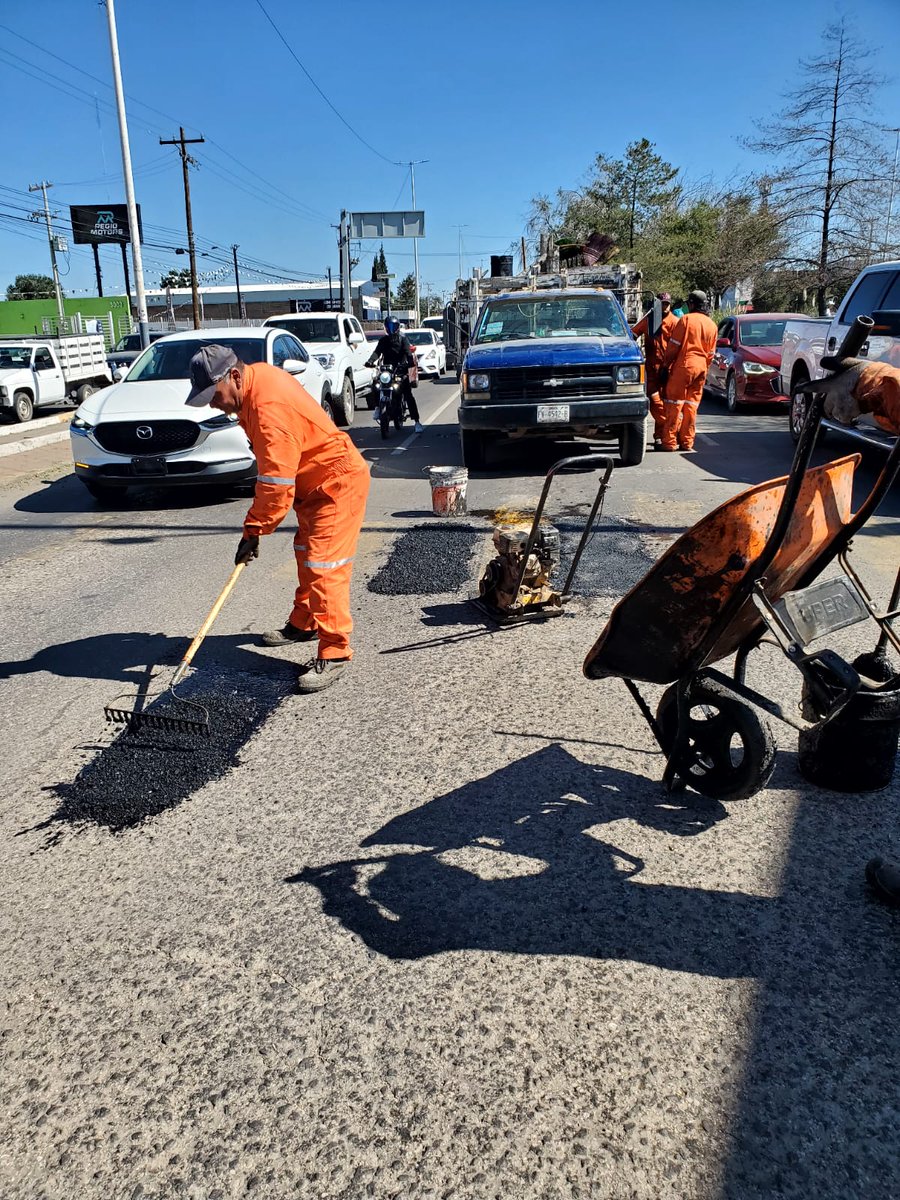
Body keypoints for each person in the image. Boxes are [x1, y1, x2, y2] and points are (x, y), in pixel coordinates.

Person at [185, 344, 370, 693]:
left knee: (323, 565)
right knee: (305, 554)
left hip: (335, 482)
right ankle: (305, 622)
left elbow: (276, 484)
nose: (212, 404)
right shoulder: (254, 383)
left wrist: (254, 530)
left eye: (214, 394)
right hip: (313, 484)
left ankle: (335, 650)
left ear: (234, 376)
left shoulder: (268, 407)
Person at [660, 290, 718, 452]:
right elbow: (711, 354)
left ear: (692, 304)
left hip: (684, 366)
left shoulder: (686, 320)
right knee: (691, 405)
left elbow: (674, 346)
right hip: (701, 368)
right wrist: (704, 368)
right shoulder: (712, 325)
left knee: (674, 404)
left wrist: (665, 366)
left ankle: (669, 442)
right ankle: (687, 442)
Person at [631, 292, 678, 446]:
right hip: (651, 369)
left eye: (667, 304)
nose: (665, 307)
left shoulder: (675, 322)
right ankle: (671, 427)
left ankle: (660, 435)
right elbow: (633, 334)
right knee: (653, 400)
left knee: (665, 402)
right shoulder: (649, 320)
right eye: (662, 304)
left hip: (668, 369)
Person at [365, 316, 423, 432]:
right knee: (376, 386)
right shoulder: (383, 341)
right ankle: (377, 407)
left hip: (401, 371)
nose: (391, 329)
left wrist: (410, 363)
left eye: (393, 326)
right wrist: (370, 361)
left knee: (408, 394)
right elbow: (377, 353)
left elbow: (408, 353)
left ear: (397, 327)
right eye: (389, 326)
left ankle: (417, 421)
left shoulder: (403, 339)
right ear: (386, 328)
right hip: (387, 371)